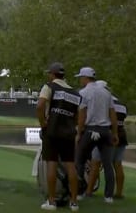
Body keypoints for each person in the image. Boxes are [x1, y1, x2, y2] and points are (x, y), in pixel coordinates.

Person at [36, 62, 81, 211]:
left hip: (52, 131)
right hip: (69, 133)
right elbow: (80, 115)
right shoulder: (75, 93)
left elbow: (40, 105)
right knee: (70, 165)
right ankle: (74, 202)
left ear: (52, 74)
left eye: (50, 73)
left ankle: (51, 201)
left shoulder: (49, 87)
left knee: (52, 164)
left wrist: (43, 123)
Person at [74, 67, 119, 204]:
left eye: (81, 77)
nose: (80, 80)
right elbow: (112, 114)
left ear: (86, 78)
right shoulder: (106, 93)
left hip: (90, 130)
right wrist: (115, 132)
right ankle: (108, 196)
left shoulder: (84, 93)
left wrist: (79, 132)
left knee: (80, 161)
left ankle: (80, 192)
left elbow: (82, 114)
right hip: (105, 131)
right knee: (107, 164)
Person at [84, 80, 128, 199]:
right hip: (121, 135)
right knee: (117, 164)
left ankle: (89, 191)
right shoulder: (122, 104)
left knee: (95, 163)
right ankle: (119, 193)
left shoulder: (102, 102)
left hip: (106, 135)